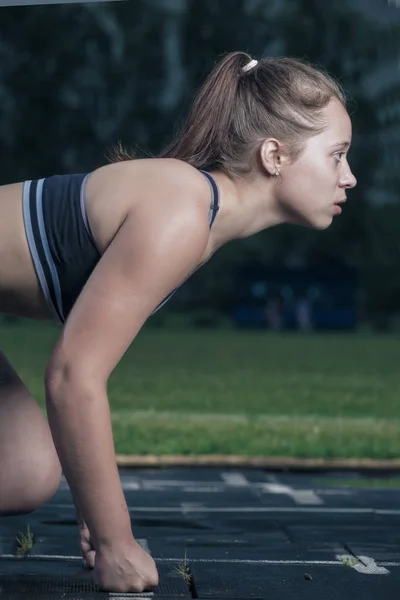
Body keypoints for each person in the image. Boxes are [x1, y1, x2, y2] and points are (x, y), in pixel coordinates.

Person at [0, 50, 356, 593]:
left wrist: (99, 512)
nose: (348, 177)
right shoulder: (181, 213)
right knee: (26, 470)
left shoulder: (195, 213)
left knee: (23, 470)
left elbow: (78, 363)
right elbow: (73, 376)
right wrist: (117, 545)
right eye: (337, 155)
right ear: (275, 155)